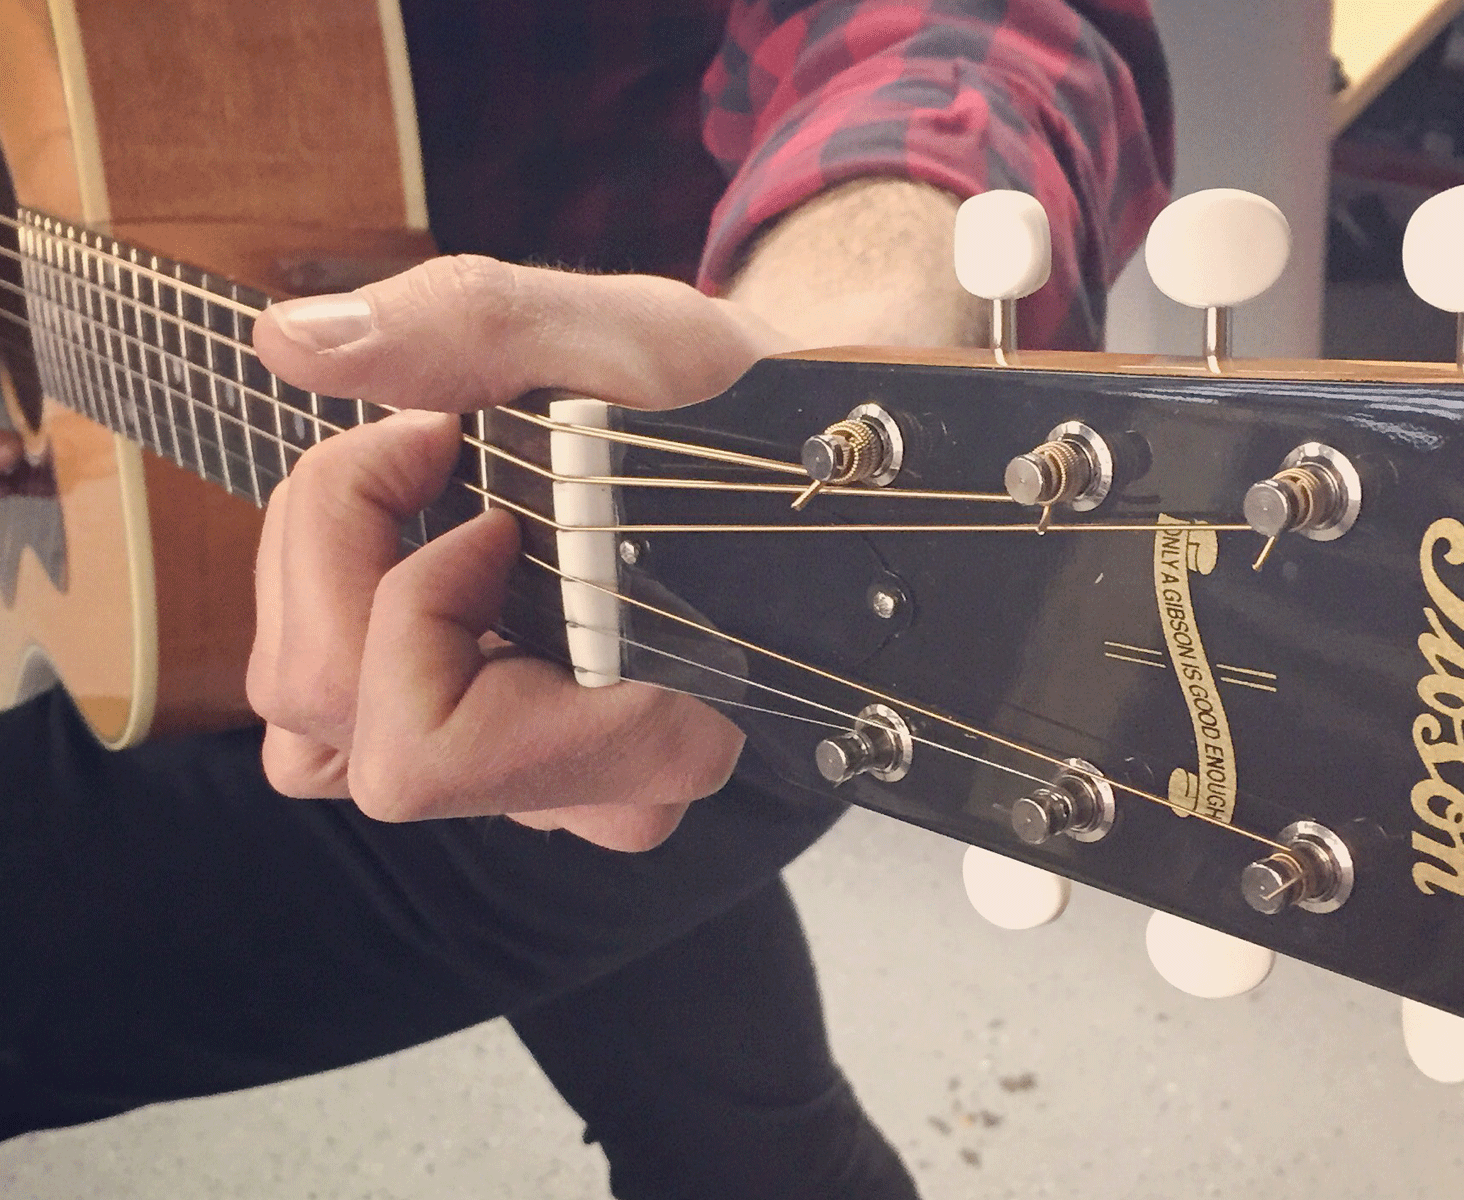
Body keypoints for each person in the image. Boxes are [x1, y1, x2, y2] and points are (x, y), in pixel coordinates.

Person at [0, 2, 1171, 1195]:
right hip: (279, 543)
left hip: (679, 546)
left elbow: (966, 30)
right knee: (736, 1136)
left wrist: (812, 379)